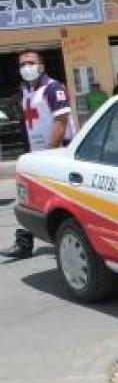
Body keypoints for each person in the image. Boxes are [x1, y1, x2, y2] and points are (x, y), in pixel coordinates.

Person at [1, 49, 77, 259]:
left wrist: (49, 154)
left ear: (41, 66)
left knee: (62, 200)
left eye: (30, 62)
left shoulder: (53, 88)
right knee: (28, 196)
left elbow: (60, 122)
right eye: (22, 64)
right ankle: (25, 242)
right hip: (37, 154)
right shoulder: (26, 90)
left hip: (56, 153)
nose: (26, 67)